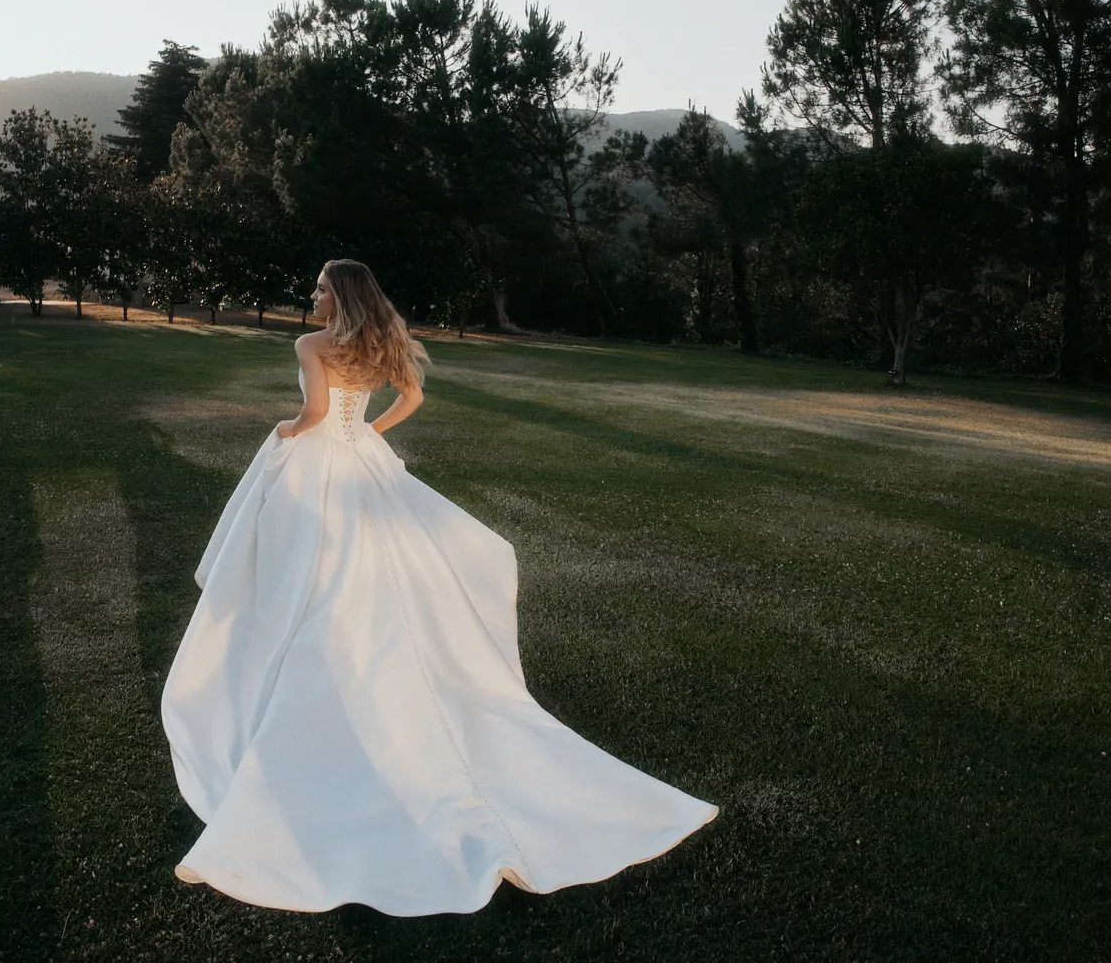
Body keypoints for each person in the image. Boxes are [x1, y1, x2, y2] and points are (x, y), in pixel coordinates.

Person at [160, 259, 717, 915]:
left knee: (301, 577)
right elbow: (412, 398)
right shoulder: (377, 340)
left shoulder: (311, 344)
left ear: (337, 296)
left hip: (321, 468)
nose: (310, 297)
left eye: (317, 289)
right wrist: (367, 432)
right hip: (362, 461)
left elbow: (312, 412)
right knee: (372, 573)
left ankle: (298, 680)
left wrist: (284, 434)